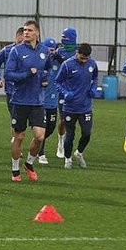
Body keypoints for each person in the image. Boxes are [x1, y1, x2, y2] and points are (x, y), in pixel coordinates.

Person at [4, 20, 51, 182]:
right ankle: (15, 169)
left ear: (37, 33)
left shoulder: (44, 51)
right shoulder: (16, 51)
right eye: (25, 30)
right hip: (20, 100)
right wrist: (26, 74)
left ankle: (29, 164)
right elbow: (8, 74)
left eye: (30, 30)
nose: (26, 33)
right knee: (19, 137)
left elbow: (48, 68)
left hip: (37, 101)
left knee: (39, 136)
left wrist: (45, 77)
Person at [54, 43, 98, 169]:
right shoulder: (67, 65)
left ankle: (79, 153)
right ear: (76, 52)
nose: (84, 60)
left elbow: (95, 78)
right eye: (82, 57)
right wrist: (65, 93)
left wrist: (93, 88)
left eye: (86, 58)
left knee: (87, 133)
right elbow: (57, 82)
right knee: (70, 135)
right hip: (70, 107)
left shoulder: (92, 64)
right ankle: (68, 159)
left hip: (85, 106)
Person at [52, 26, 78, 158]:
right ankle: (61, 142)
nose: (63, 39)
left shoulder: (78, 52)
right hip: (63, 90)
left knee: (73, 121)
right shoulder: (59, 51)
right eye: (62, 37)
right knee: (63, 119)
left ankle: (72, 146)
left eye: (65, 37)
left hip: (77, 91)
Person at [36, 37, 60, 165]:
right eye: (49, 50)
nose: (51, 52)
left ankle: (37, 143)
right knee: (44, 128)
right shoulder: (39, 61)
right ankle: (41, 153)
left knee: (51, 128)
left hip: (53, 101)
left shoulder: (58, 63)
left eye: (53, 50)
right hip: (41, 101)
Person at [0, 27, 25, 119]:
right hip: (11, 90)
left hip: (26, 90)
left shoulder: (29, 51)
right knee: (15, 118)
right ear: (18, 36)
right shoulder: (6, 50)